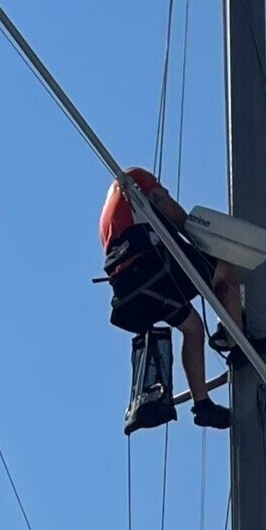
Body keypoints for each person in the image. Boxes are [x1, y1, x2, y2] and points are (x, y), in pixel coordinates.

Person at [99, 165, 239, 434]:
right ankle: (234, 339)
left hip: (131, 289)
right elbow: (172, 213)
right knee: (226, 271)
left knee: (193, 327)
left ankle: (202, 406)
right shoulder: (135, 179)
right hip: (153, 269)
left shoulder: (109, 216)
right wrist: (200, 238)